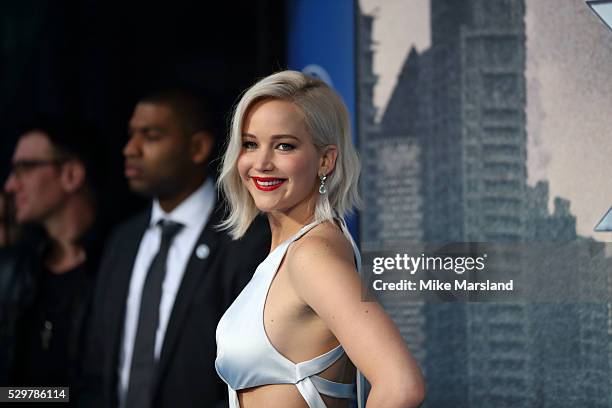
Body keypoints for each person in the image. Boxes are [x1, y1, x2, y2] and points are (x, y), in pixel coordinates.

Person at [215, 71, 426, 408]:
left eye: (284, 145)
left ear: (325, 160)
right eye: (250, 144)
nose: (262, 163)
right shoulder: (290, 252)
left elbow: (401, 385)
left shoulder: (313, 256)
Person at [80, 89, 270, 408]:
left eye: (151, 136)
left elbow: (255, 373)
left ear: (197, 147)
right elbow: (96, 366)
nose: (130, 149)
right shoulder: (121, 242)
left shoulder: (246, 238)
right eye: (131, 136)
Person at [0, 117, 103, 388]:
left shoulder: (118, 266)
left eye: (24, 168)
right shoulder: (17, 271)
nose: (10, 185)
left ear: (71, 175)